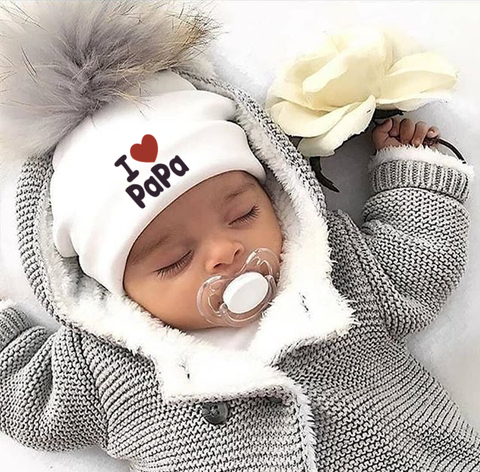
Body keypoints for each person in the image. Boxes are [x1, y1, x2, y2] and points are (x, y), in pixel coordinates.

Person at [0, 2, 478, 471]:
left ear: (274, 190)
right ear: (114, 285)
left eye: (244, 214)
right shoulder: (105, 371)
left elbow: (417, 263)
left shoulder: (334, 272)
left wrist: (413, 174)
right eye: (172, 260)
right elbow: (23, 396)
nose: (225, 251)